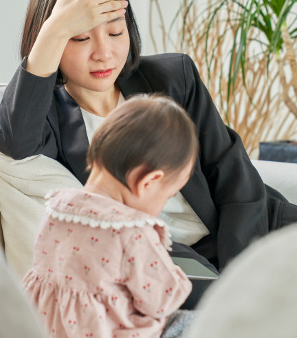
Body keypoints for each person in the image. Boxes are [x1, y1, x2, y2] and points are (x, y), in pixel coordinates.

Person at [0, 0, 297, 307]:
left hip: (246, 232)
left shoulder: (173, 77)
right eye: (80, 36)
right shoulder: (47, 115)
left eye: (115, 32)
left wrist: (241, 274)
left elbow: (231, 171)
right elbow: (14, 139)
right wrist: (54, 29)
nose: (104, 53)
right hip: (173, 264)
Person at [23, 94, 198, 338]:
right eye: (167, 195)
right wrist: (175, 276)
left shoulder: (56, 209)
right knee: (194, 322)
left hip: (45, 330)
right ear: (148, 182)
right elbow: (161, 301)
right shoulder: (132, 232)